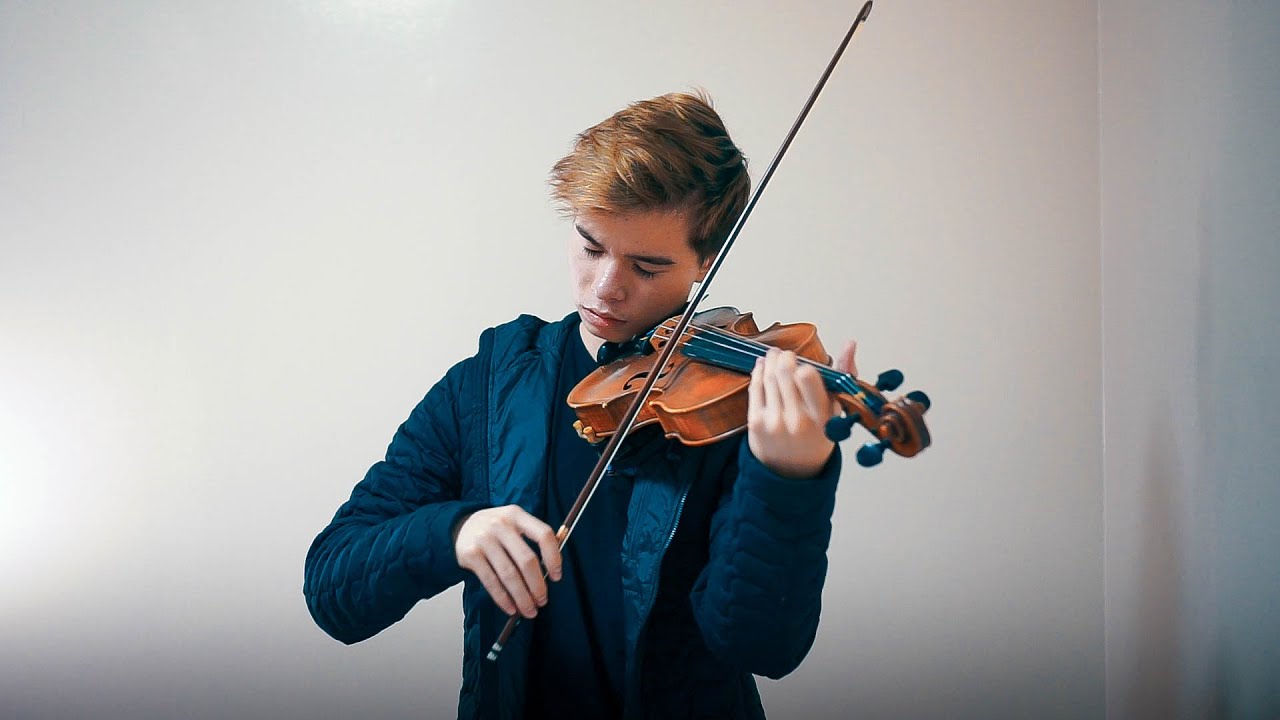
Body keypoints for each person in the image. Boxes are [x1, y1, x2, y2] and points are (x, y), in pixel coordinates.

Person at [303, 91, 858, 720]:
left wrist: (787, 478)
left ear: (707, 260)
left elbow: (762, 646)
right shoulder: (485, 385)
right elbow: (333, 590)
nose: (606, 288)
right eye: (592, 247)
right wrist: (454, 532)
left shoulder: (738, 406)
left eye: (647, 266)